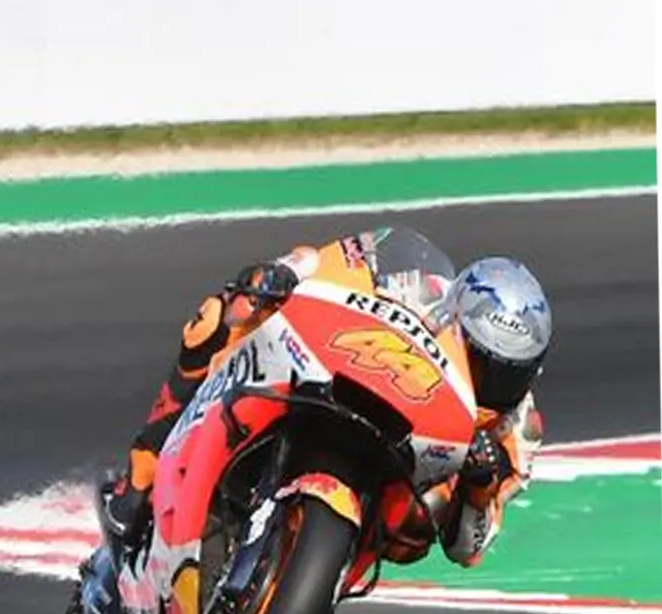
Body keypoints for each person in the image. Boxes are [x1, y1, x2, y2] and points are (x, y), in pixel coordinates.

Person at [101, 228, 550, 570]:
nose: (488, 381)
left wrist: (479, 488)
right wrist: (282, 274)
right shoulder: (422, 287)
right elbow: (323, 262)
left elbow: (469, 549)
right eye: (477, 360)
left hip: (389, 485)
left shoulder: (517, 431)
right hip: (339, 378)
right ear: (452, 317)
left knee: (426, 511)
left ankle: (308, 577)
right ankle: (141, 472)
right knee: (224, 314)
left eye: (508, 373)